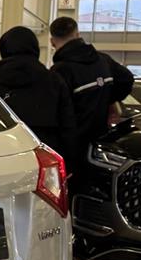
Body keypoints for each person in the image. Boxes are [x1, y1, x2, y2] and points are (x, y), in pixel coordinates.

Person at [49, 16, 134, 178]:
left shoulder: (59, 71)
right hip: (102, 147)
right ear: (77, 34)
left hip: (73, 149)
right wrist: (108, 99)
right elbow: (127, 80)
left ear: (52, 42)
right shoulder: (103, 60)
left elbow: (56, 113)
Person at [0, 26, 75, 156]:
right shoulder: (53, 80)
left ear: (3, 49)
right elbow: (67, 124)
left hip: (0, 149)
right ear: (35, 49)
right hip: (43, 151)